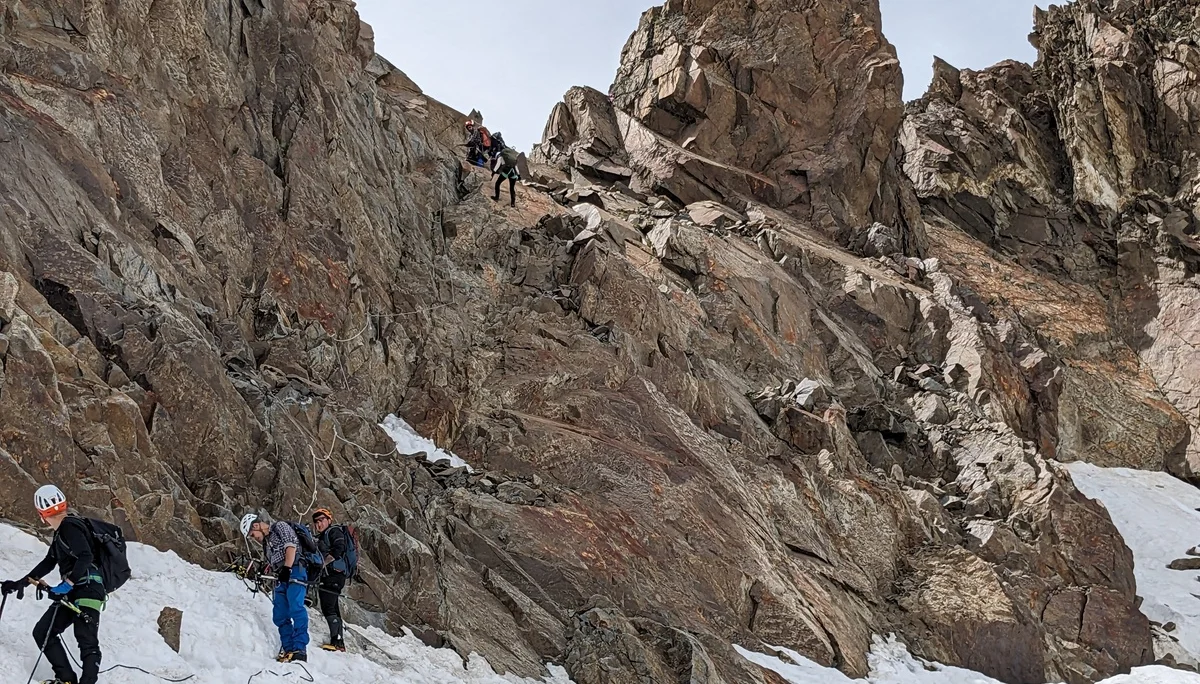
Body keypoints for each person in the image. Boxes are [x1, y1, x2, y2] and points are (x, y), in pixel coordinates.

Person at [1, 485, 106, 684]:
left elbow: (85, 556)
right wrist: (18, 584)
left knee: (86, 640)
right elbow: (49, 562)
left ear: (41, 514)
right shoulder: (61, 534)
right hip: (77, 589)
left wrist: (67, 583)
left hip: (88, 588)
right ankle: (66, 679)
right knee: (43, 631)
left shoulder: (69, 526)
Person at [242, 513, 309, 663]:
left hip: (295, 570)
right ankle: (289, 649)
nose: (254, 538)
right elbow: (270, 562)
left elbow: (291, 546)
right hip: (281, 576)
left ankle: (300, 649)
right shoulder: (266, 543)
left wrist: (287, 568)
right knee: (279, 614)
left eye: (252, 534)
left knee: (296, 607)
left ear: (256, 525)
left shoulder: (280, 527)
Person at [312, 508, 348, 652]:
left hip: (334, 574)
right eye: (316, 521)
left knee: (328, 606)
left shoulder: (334, 531)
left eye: (321, 520)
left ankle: (337, 642)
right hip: (331, 575)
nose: (319, 523)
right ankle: (338, 641)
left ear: (329, 520)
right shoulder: (323, 536)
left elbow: (339, 548)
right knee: (332, 607)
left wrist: (323, 563)